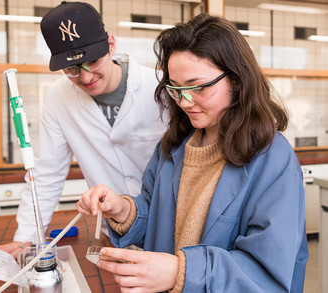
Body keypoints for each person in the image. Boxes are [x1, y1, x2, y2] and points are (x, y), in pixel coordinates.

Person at [76, 13, 309, 293]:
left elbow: (266, 273)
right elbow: (156, 213)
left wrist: (180, 272)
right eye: (176, 88)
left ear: (236, 80)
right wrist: (123, 209)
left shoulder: (273, 159)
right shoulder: (176, 143)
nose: (185, 102)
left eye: (198, 87)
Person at [0, 1, 167, 274]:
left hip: (168, 228)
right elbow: (47, 173)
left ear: (111, 44)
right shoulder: (58, 97)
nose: (85, 77)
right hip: (113, 236)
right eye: (71, 69)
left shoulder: (160, 88)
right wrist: (26, 239)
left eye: (93, 61)